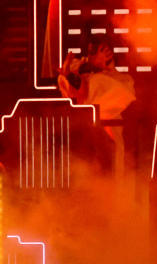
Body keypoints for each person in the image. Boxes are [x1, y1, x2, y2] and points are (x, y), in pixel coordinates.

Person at [58, 33, 135, 174]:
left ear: (110, 53)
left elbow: (91, 95)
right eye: (92, 51)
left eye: (101, 50)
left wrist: (95, 68)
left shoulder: (123, 81)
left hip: (106, 142)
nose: (93, 55)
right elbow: (72, 91)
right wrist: (71, 74)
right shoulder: (79, 68)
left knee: (106, 183)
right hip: (78, 141)